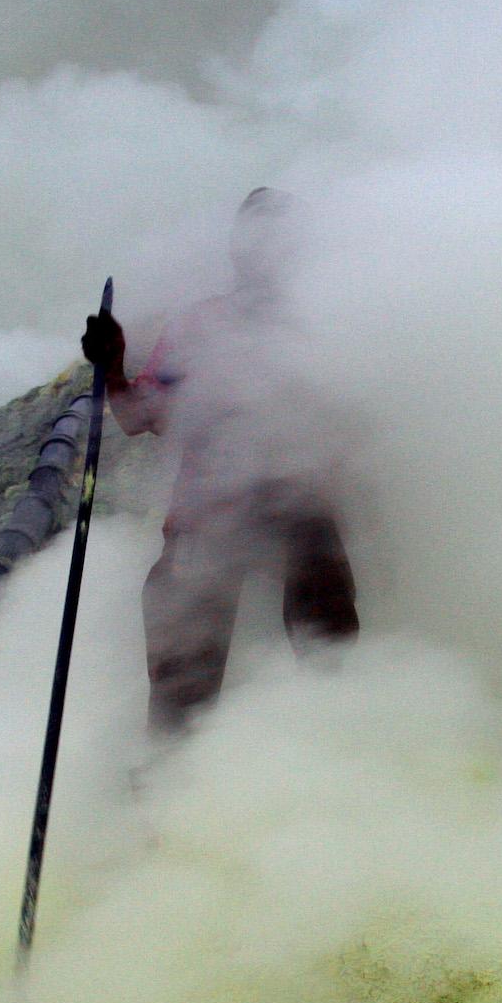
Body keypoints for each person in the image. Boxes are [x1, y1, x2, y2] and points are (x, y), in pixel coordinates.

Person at [81, 188, 359, 733]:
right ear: (237, 249)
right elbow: (142, 414)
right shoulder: (198, 325)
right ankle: (171, 781)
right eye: (253, 238)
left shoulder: (328, 326)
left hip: (300, 504)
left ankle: (341, 753)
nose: (263, 253)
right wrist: (112, 367)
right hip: (209, 510)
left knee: (331, 645)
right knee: (182, 659)